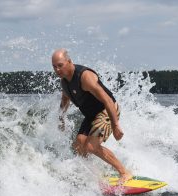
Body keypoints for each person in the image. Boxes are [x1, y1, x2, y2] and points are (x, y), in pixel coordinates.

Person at [51, 48, 132, 183]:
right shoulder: (64, 82)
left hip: (106, 110)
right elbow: (65, 100)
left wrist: (115, 125)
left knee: (91, 146)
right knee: (78, 146)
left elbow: (107, 100)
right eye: (54, 67)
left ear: (69, 62)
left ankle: (125, 172)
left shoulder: (84, 77)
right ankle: (95, 175)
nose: (57, 70)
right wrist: (61, 118)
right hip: (91, 116)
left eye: (60, 65)